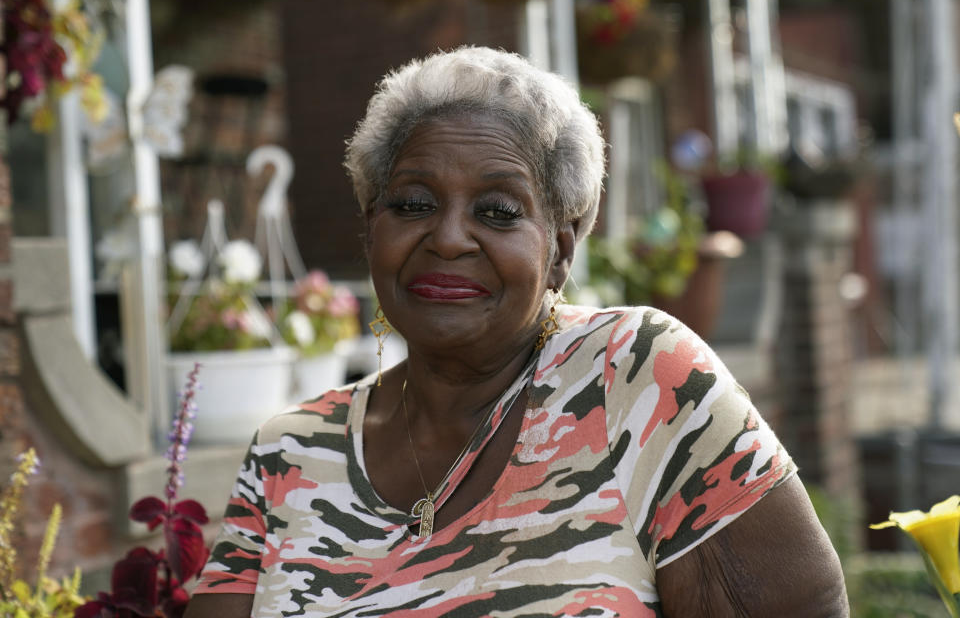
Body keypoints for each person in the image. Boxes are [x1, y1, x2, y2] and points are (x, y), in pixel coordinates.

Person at [185, 46, 848, 617]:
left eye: (498, 212)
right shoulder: (289, 452)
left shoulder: (640, 380)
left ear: (559, 252)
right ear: (370, 230)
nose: (447, 238)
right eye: (412, 204)